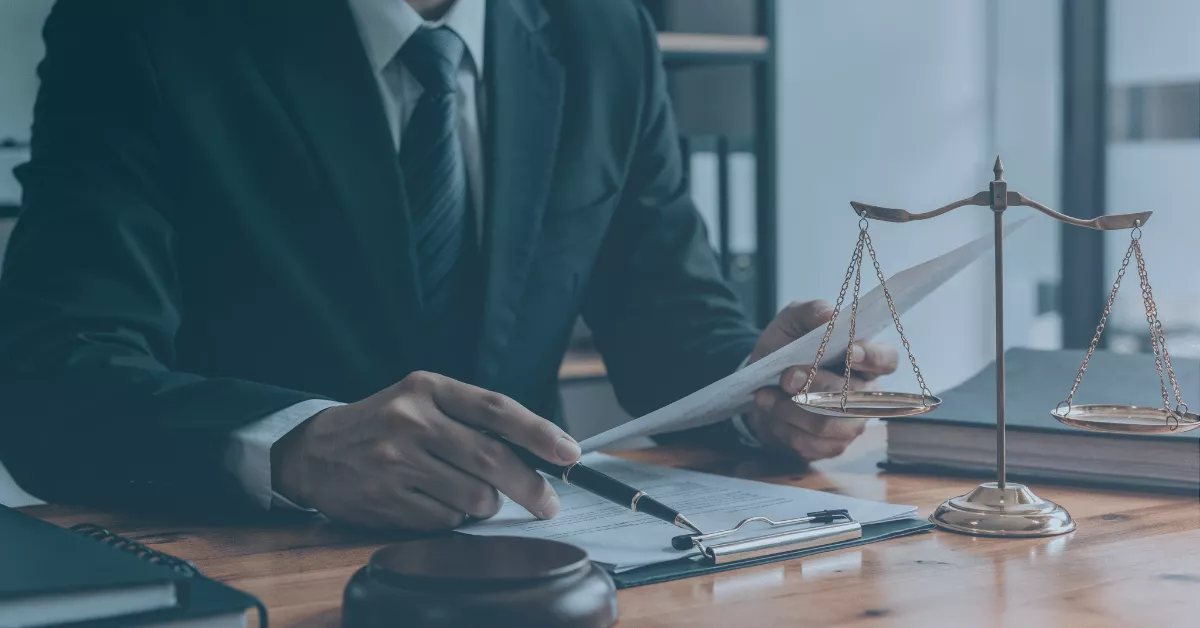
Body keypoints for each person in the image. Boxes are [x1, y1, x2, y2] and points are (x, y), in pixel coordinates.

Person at [0, 0, 896, 529]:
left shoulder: (601, 33)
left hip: (545, 567)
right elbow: (51, 382)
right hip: (257, 566)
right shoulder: (143, 25)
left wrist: (765, 391)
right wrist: (295, 446)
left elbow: (670, 318)